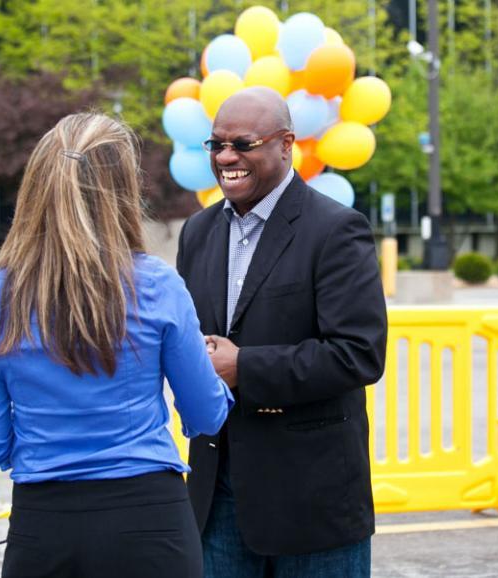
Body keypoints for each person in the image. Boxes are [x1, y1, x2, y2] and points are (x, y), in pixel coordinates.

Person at [0, 112, 234, 578]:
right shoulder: (156, 286)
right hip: (151, 523)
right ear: (123, 192)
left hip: (43, 523)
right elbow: (206, 416)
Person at [176, 87, 388, 577]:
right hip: (217, 493)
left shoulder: (337, 229)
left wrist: (242, 366)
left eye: (243, 144)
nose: (227, 157)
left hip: (312, 501)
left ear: (286, 143)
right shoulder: (197, 232)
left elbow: (358, 354)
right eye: (216, 145)